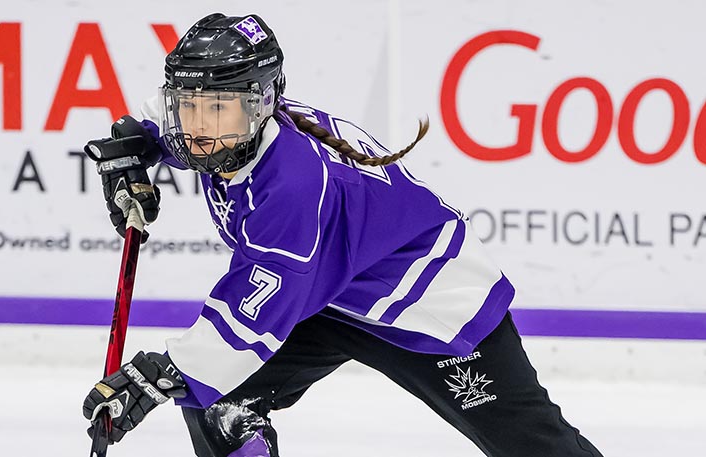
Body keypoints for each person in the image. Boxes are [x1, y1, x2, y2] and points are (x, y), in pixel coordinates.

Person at [82, 12, 604, 457]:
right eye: (188, 107)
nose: (198, 129)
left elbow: (250, 316)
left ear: (262, 104)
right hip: (328, 298)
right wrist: (134, 147)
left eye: (217, 108)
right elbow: (157, 116)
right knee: (220, 402)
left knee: (535, 446)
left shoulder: (293, 186)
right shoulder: (231, 127)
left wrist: (156, 375)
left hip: (426, 306)